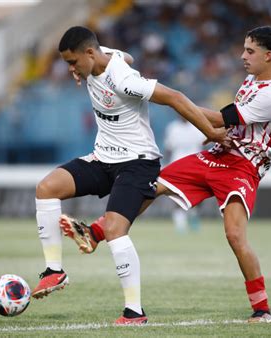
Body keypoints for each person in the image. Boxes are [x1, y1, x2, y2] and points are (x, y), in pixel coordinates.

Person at [62, 26, 271, 323]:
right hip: (216, 155)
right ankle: (95, 233)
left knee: (234, 235)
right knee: (150, 185)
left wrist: (182, 105)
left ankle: (262, 309)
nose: (242, 56)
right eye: (244, 49)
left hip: (243, 167)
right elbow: (230, 124)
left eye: (250, 51)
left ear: (268, 56)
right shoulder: (252, 80)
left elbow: (222, 118)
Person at [31, 26, 227, 326]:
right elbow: (128, 55)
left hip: (137, 164)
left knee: (114, 230)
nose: (71, 69)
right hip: (103, 158)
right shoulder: (103, 57)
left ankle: (134, 311)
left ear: (89, 53)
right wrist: (105, 59)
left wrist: (211, 132)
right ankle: (54, 271)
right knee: (46, 188)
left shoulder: (122, 80)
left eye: (73, 62)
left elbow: (174, 97)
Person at [163, 116, 204, 233]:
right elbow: (168, 148)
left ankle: (194, 218)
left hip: (196, 166)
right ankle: (180, 224)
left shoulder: (197, 126)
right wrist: (166, 164)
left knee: (198, 195)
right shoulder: (173, 127)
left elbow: (204, 145)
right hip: (177, 166)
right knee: (177, 194)